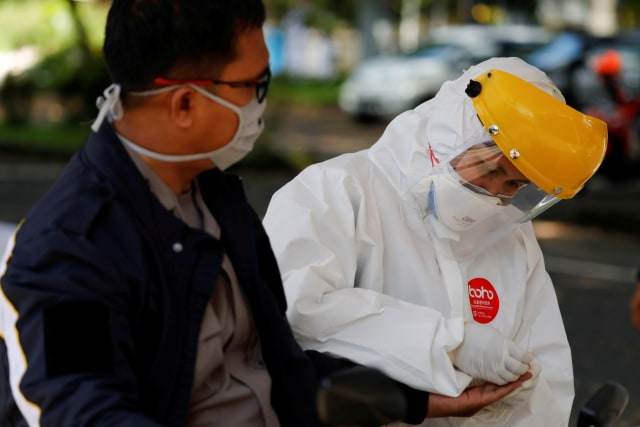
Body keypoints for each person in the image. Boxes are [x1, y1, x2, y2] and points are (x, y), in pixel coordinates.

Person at [0, 2, 529, 426]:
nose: (261, 106)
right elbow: (84, 407)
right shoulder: (70, 247)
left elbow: (270, 366)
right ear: (183, 104)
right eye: (254, 87)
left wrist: (410, 400)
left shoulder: (215, 199)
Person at [263, 57, 608, 426]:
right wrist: (448, 344)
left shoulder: (511, 237)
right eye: (490, 168)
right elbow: (296, 313)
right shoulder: (335, 193)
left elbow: (545, 374)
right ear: (451, 133)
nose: (493, 193)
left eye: (514, 185)